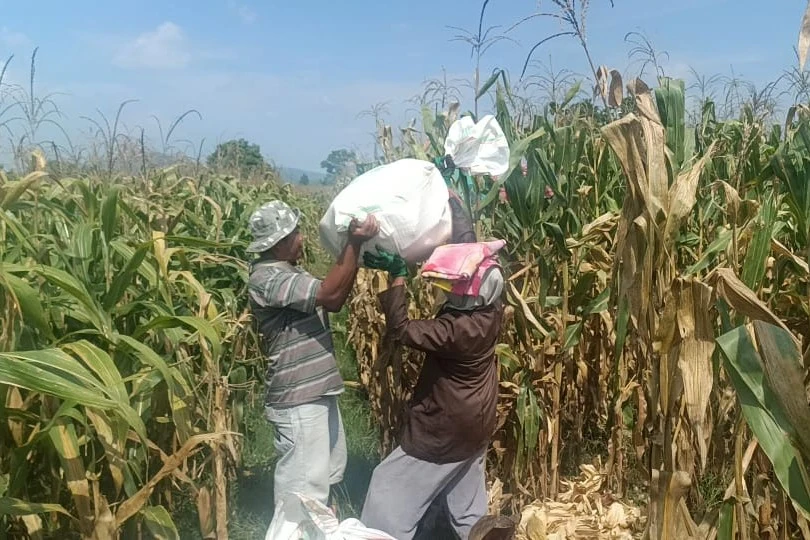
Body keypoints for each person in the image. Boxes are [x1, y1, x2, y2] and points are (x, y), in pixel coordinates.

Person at [359, 243, 505, 540]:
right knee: (467, 508)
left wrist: (398, 275)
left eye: (455, 287)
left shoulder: (457, 330)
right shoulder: (492, 311)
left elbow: (401, 329)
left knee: (387, 488)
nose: (449, 291)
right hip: (476, 424)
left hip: (446, 428)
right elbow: (470, 251)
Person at [245, 200, 379, 510]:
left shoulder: (290, 270)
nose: (301, 238)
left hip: (317, 391)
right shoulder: (266, 279)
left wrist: (357, 251)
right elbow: (329, 294)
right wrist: (353, 242)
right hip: (298, 398)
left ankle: (323, 529)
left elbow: (335, 300)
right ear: (278, 243)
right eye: (295, 233)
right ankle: (294, 531)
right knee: (302, 494)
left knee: (324, 478)